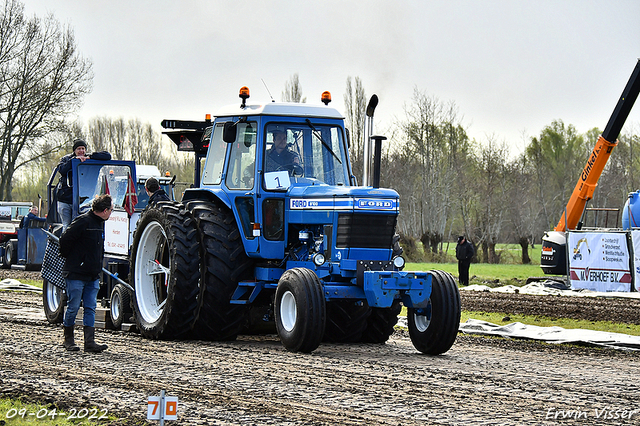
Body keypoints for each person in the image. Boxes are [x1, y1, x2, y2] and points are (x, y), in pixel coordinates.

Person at [59, 194, 113, 353]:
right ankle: (68, 339)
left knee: (90, 308)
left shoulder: (100, 223)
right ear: (104, 210)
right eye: (111, 210)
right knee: (73, 307)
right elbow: (64, 241)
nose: (111, 213)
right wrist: (75, 260)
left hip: (92, 275)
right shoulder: (82, 222)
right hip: (76, 273)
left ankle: (89, 342)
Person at [56, 139, 111, 230]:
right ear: (74, 151)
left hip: (83, 199)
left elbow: (107, 156)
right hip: (65, 198)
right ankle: (66, 243)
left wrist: (90, 158)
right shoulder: (66, 159)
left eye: (83, 148)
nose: (81, 151)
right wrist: (74, 161)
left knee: (81, 224)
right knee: (67, 225)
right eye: (78, 149)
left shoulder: (91, 158)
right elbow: (61, 170)